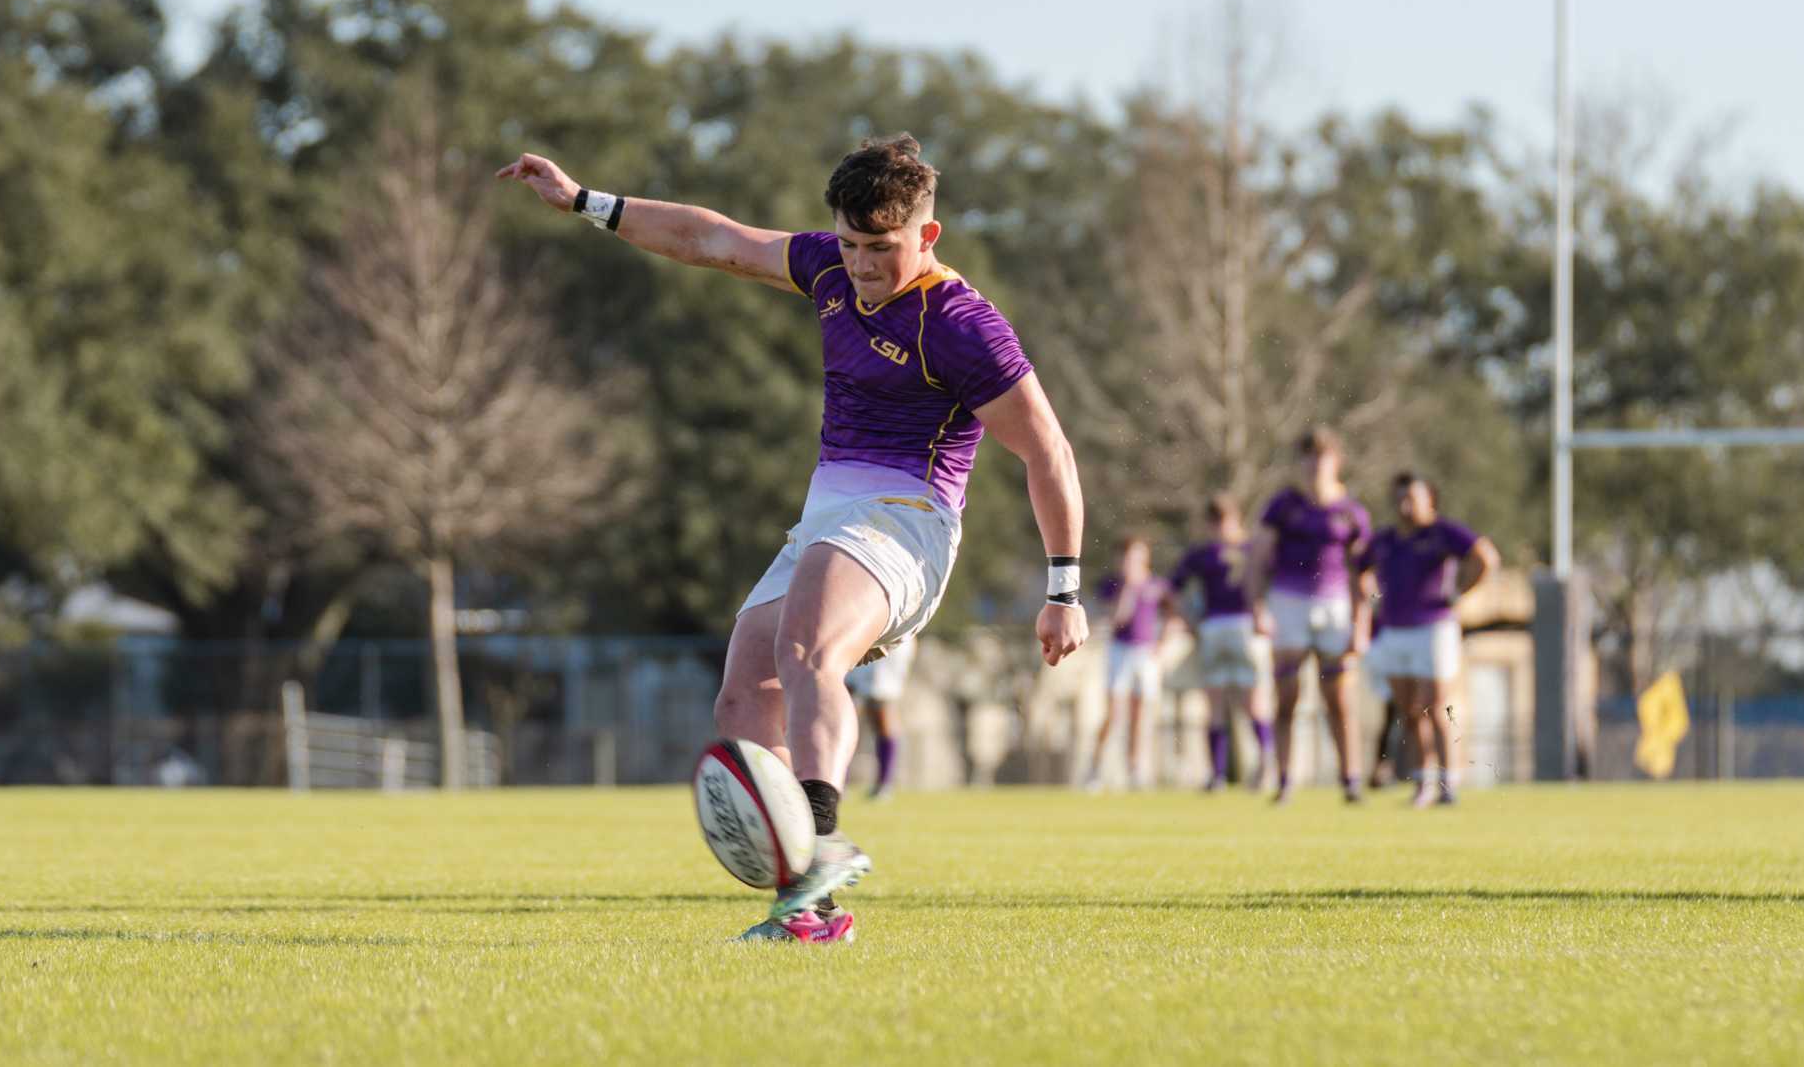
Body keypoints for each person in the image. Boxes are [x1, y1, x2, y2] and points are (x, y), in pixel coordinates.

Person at [497, 134, 1088, 943]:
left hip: (907, 517)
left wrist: (1063, 588)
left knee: (809, 647)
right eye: (849, 244)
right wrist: (584, 201)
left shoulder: (962, 324)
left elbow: (1046, 449)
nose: (862, 265)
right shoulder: (827, 269)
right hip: (826, 518)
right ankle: (805, 910)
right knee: (744, 691)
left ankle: (820, 832)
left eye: (881, 248)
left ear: (928, 235)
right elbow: (715, 240)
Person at [1356, 473, 1498, 808]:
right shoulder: (1386, 539)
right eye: (1400, 498)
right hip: (1393, 630)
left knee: (1435, 707)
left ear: (1429, 500)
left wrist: (1460, 591)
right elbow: (1357, 568)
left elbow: (1485, 556)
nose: (1404, 505)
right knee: (1409, 711)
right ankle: (1423, 783)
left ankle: (1449, 783)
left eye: (1412, 498)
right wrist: (1366, 601)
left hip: (1434, 628)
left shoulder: (1442, 533)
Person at [1250, 428, 1373, 804]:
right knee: (1286, 696)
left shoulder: (1351, 512)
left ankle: (1350, 780)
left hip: (1334, 605)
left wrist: (1362, 623)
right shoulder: (1283, 506)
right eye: (1309, 456)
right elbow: (1257, 560)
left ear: (1337, 461)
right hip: (1289, 604)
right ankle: (1285, 780)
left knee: (1338, 699)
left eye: (1323, 456)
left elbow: (1363, 572)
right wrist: (1258, 608)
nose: (1315, 464)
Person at [1170, 494, 1275, 792]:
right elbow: (1171, 590)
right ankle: (1217, 775)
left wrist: (1265, 612)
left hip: (1242, 626)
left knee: (1251, 700)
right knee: (1215, 703)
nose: (1218, 526)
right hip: (1216, 628)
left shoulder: (1250, 549)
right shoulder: (1210, 552)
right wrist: (1188, 620)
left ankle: (1264, 762)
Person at [1082, 536, 1176, 791]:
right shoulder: (1114, 585)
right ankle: (1095, 768)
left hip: (1146, 653)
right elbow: (1116, 619)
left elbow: (1172, 614)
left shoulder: (1157, 585)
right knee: (1114, 713)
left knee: (1140, 713)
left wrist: (1163, 642)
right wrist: (1127, 591)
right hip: (1120, 650)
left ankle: (1135, 769)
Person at [845, 634, 914, 801]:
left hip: (886, 638)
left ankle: (884, 784)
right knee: (843, 705)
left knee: (880, 708)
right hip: (858, 636)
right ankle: (837, 781)